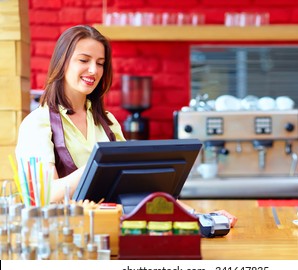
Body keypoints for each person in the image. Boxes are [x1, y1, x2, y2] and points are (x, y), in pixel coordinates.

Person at [15, 25, 237, 227]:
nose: (93, 70)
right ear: (62, 62)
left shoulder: (107, 121)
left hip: (111, 233)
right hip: (65, 238)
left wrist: (197, 216)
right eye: (84, 60)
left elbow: (139, 188)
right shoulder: (38, 123)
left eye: (100, 63)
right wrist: (97, 165)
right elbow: (43, 196)